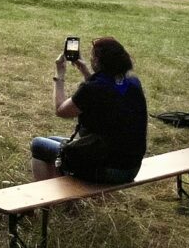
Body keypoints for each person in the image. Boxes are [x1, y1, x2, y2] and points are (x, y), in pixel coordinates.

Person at [30, 37, 148, 183]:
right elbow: (107, 92)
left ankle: (46, 202)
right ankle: (61, 195)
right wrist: (84, 70)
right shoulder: (131, 81)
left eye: (92, 56)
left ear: (97, 61)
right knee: (52, 141)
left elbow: (61, 111)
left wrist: (59, 74)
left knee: (38, 144)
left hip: (106, 170)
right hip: (131, 167)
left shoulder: (92, 89)